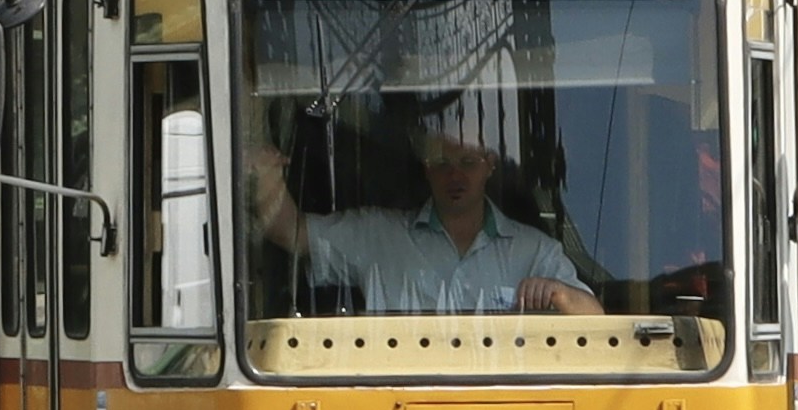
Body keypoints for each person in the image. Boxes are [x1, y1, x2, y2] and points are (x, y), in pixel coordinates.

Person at [242, 109, 604, 314]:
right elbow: (291, 233)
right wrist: (266, 179)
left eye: (468, 162)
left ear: (490, 165)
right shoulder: (378, 235)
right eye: (442, 163)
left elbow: (596, 323)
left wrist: (560, 294)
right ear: (425, 168)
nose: (455, 175)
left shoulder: (534, 250)